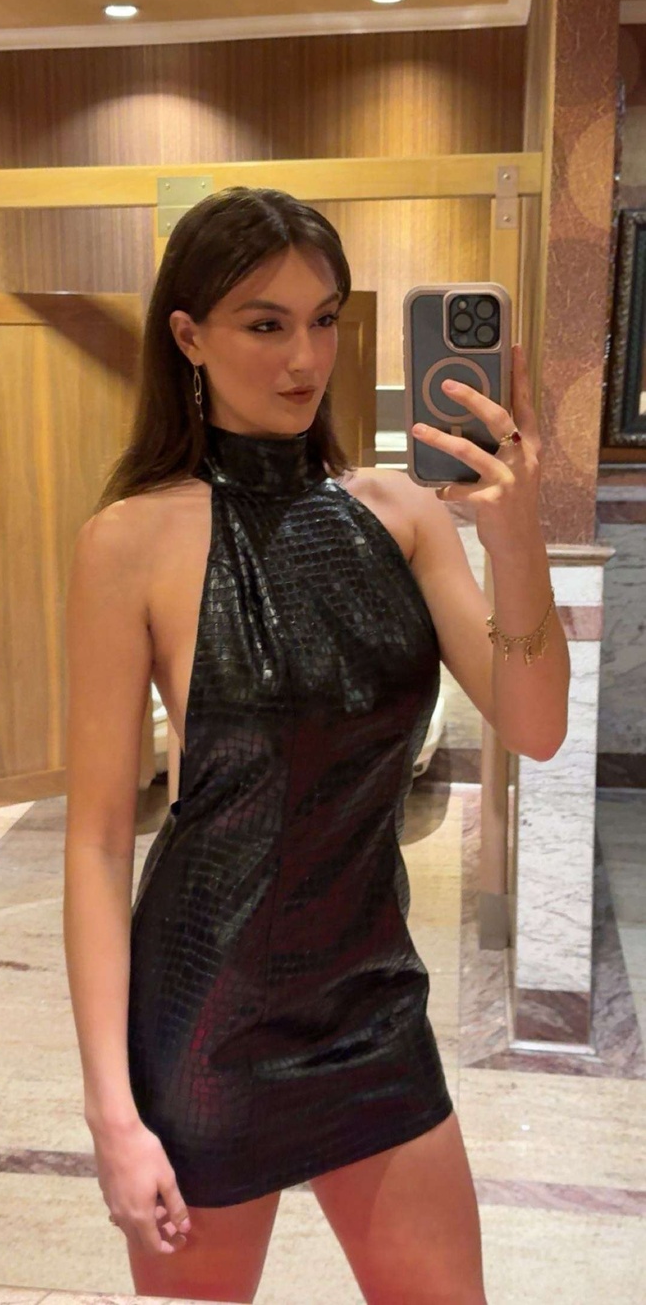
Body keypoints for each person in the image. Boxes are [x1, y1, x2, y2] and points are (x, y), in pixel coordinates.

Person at [63, 186, 570, 1305]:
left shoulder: (402, 514)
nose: (305, 358)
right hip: (205, 1013)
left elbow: (536, 728)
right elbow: (96, 841)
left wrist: (516, 533)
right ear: (188, 335)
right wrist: (112, 1113)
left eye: (325, 319)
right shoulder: (130, 540)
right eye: (266, 323)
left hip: (370, 1004)